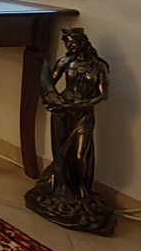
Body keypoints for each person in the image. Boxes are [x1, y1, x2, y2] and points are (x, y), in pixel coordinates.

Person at [25, 27, 115, 235]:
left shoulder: (99, 66)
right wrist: (52, 98)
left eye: (73, 43)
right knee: (60, 152)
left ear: (83, 42)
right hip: (63, 112)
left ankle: (81, 190)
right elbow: (49, 83)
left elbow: (103, 94)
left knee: (80, 154)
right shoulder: (65, 63)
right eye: (68, 44)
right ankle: (60, 187)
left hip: (83, 114)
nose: (71, 47)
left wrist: (83, 104)